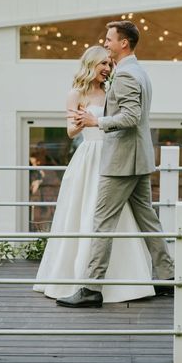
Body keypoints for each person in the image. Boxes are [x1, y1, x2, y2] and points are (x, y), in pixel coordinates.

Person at [57, 21, 174, 308]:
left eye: (109, 39)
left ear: (124, 43)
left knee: (102, 222)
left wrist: (98, 121)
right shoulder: (140, 72)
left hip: (121, 162)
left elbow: (131, 117)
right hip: (138, 159)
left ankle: (91, 288)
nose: (106, 43)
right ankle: (168, 278)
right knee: (148, 220)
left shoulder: (125, 76)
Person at [33, 45, 155, 303]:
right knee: (83, 212)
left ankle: (122, 280)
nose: (107, 69)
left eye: (109, 65)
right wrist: (82, 121)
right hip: (89, 157)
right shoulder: (75, 94)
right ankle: (77, 276)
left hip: (113, 156)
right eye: (102, 64)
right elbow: (70, 132)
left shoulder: (112, 90)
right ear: (91, 65)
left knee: (114, 217)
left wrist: (96, 120)